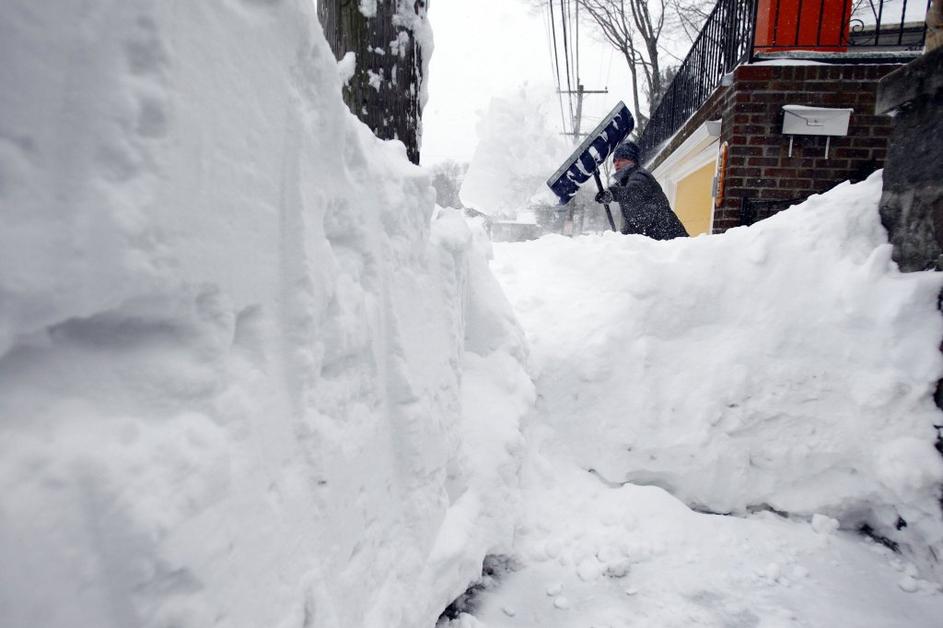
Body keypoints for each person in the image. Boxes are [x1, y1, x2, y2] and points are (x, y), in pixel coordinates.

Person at [594, 142, 689, 240]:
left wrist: (612, 194)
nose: (616, 163)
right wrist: (623, 239)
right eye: (615, 160)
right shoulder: (624, 182)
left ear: (632, 161)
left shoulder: (640, 175)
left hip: (670, 237)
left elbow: (633, 192)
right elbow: (632, 221)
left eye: (621, 159)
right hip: (658, 239)